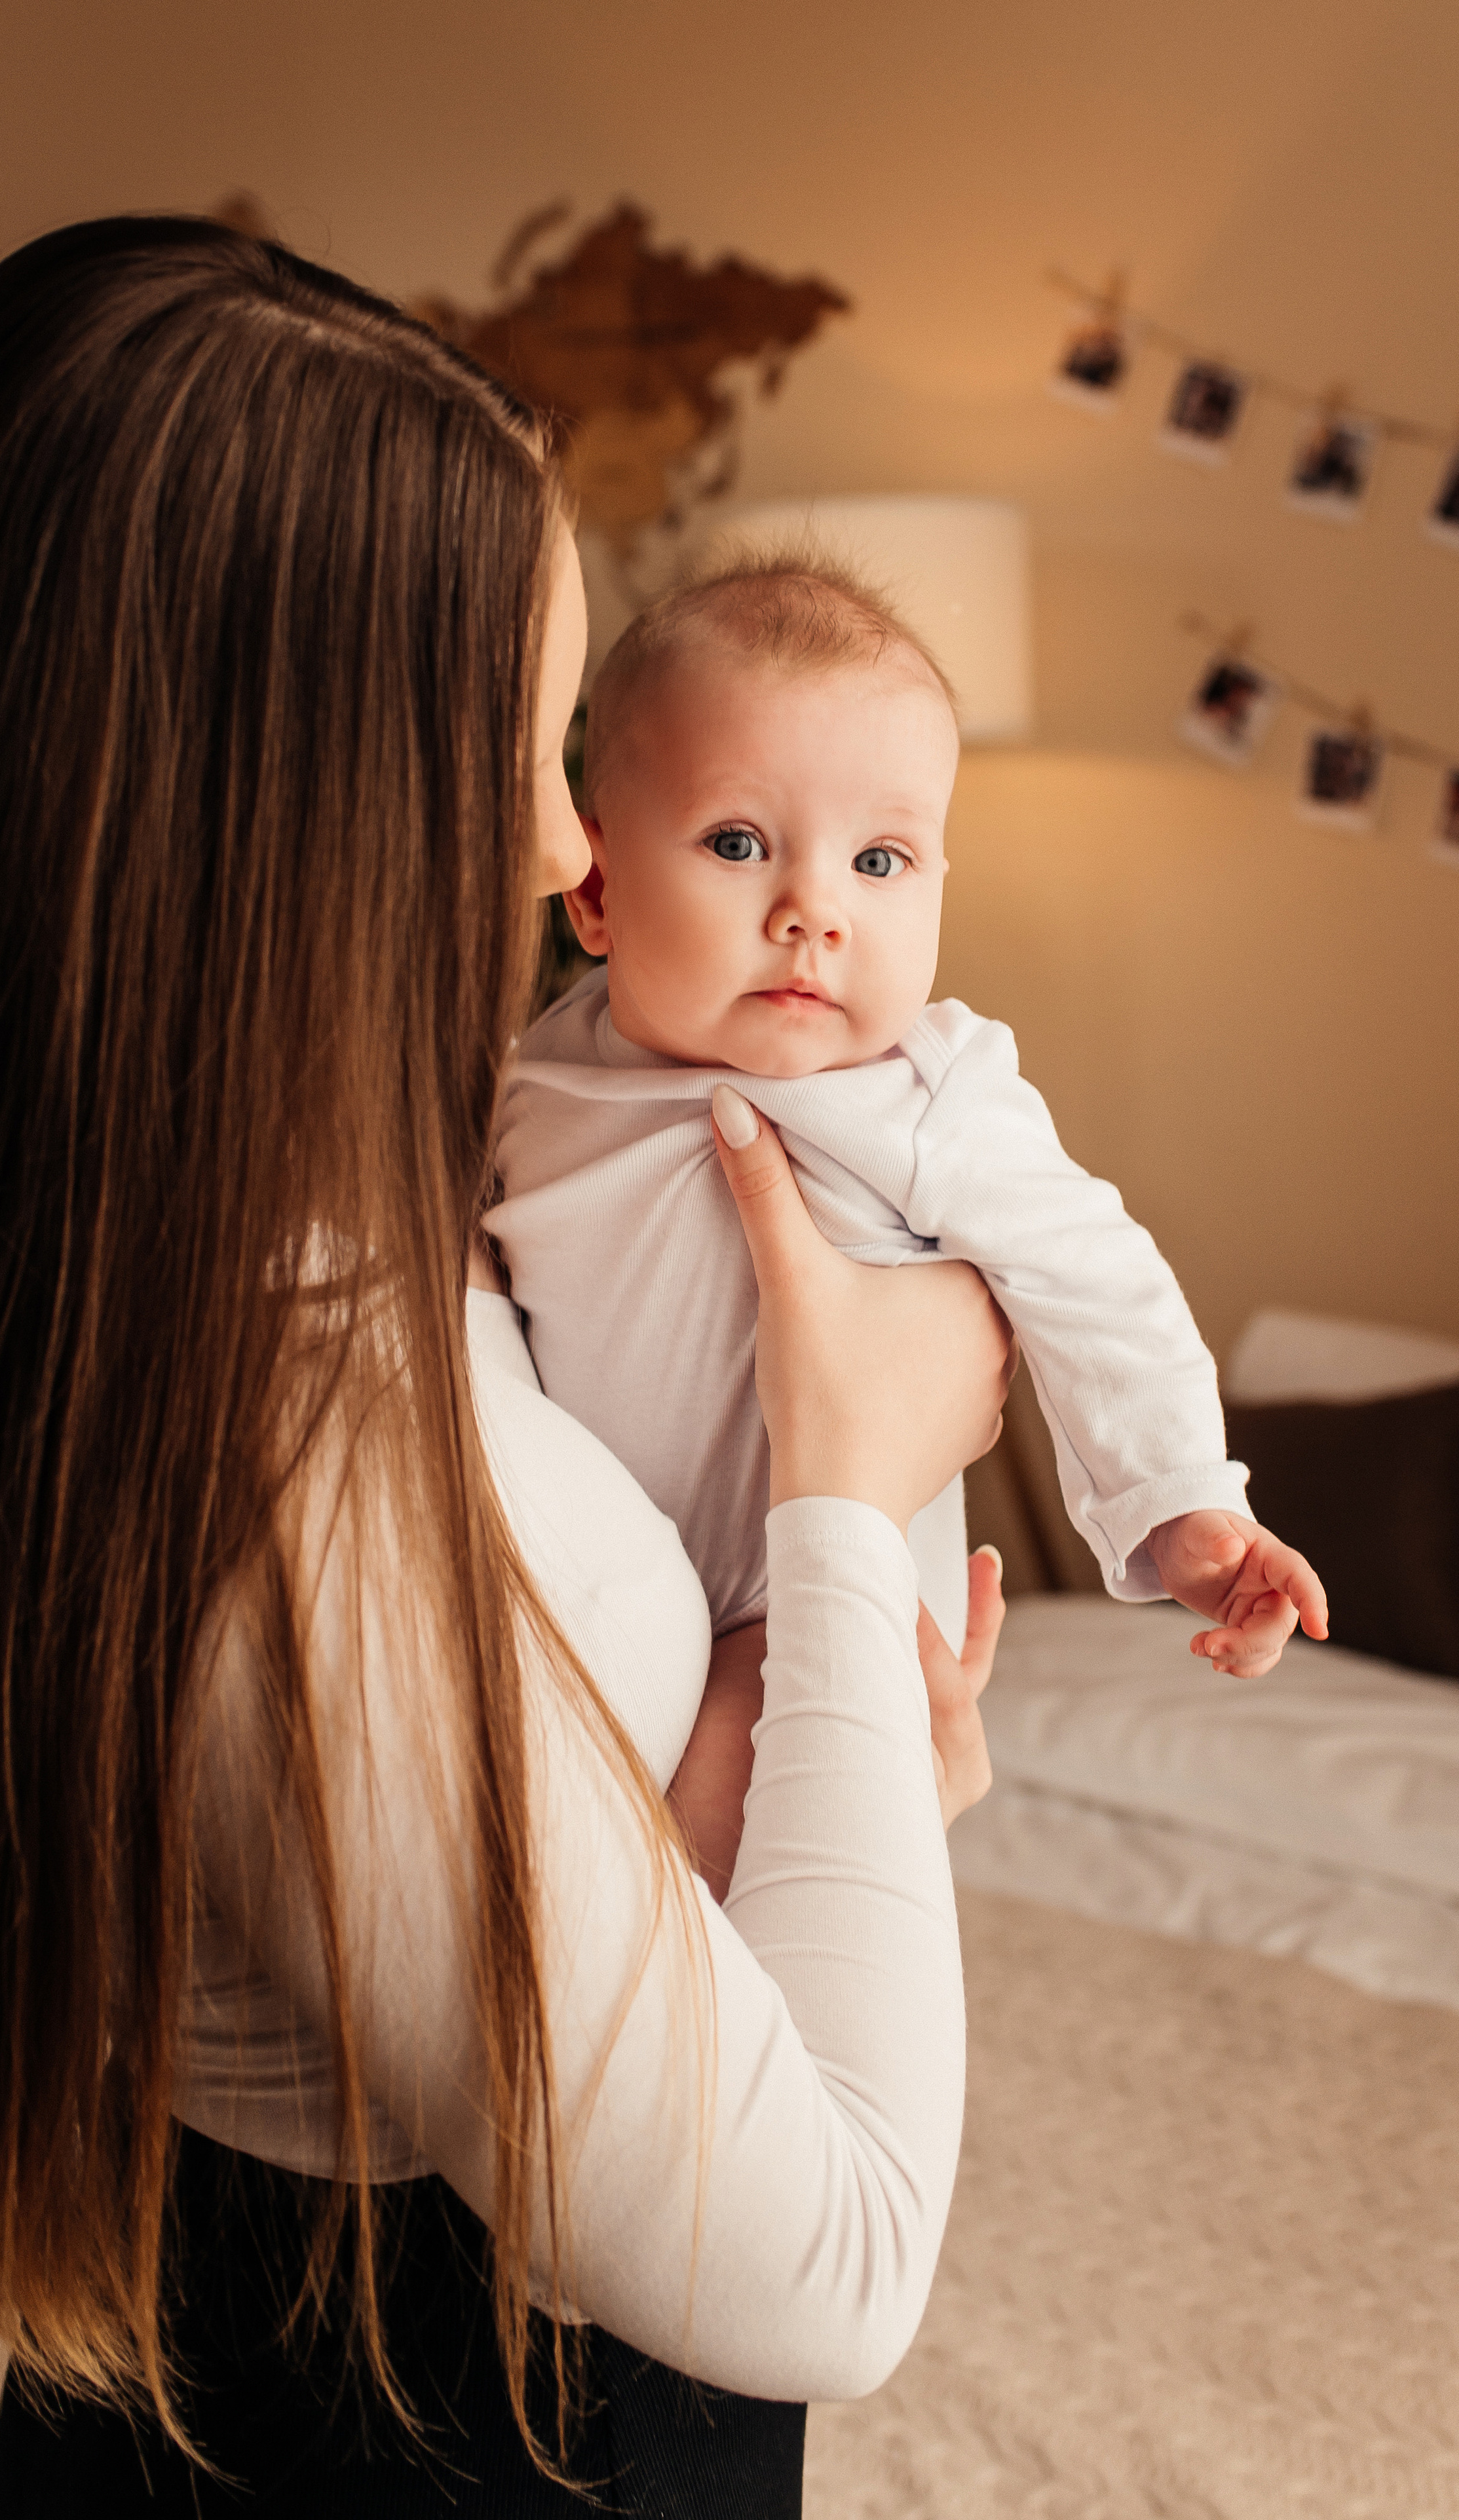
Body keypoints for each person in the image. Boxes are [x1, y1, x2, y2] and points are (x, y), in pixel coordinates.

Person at [0, 219, 1015, 2515]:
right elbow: (835, 2262)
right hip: (459, 2427)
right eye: (527, 744)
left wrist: (764, 1795)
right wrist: (853, 1486)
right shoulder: (277, 1452)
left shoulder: (128, 1253)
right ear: (288, 798)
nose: (572, 838)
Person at [487, 559, 1329, 1887]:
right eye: (734, 843)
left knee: (692, 1847)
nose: (810, 910)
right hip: (596, 1583)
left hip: (808, 1602)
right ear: (593, 891)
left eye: (877, 860)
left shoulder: (922, 1094)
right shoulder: (535, 1085)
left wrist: (1177, 1505)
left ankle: (711, 2046)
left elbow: (1093, 1284)